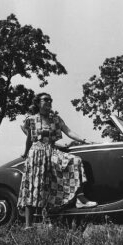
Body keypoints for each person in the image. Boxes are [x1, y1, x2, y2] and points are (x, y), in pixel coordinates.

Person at [17, 92, 97, 229]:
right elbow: (29, 140)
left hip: (51, 152)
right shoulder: (31, 119)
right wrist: (25, 154)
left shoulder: (56, 119)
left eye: (50, 100)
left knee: (75, 161)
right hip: (35, 154)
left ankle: (80, 198)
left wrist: (84, 140)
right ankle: (28, 226)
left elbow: (68, 131)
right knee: (32, 187)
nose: (49, 102)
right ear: (38, 103)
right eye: (45, 100)